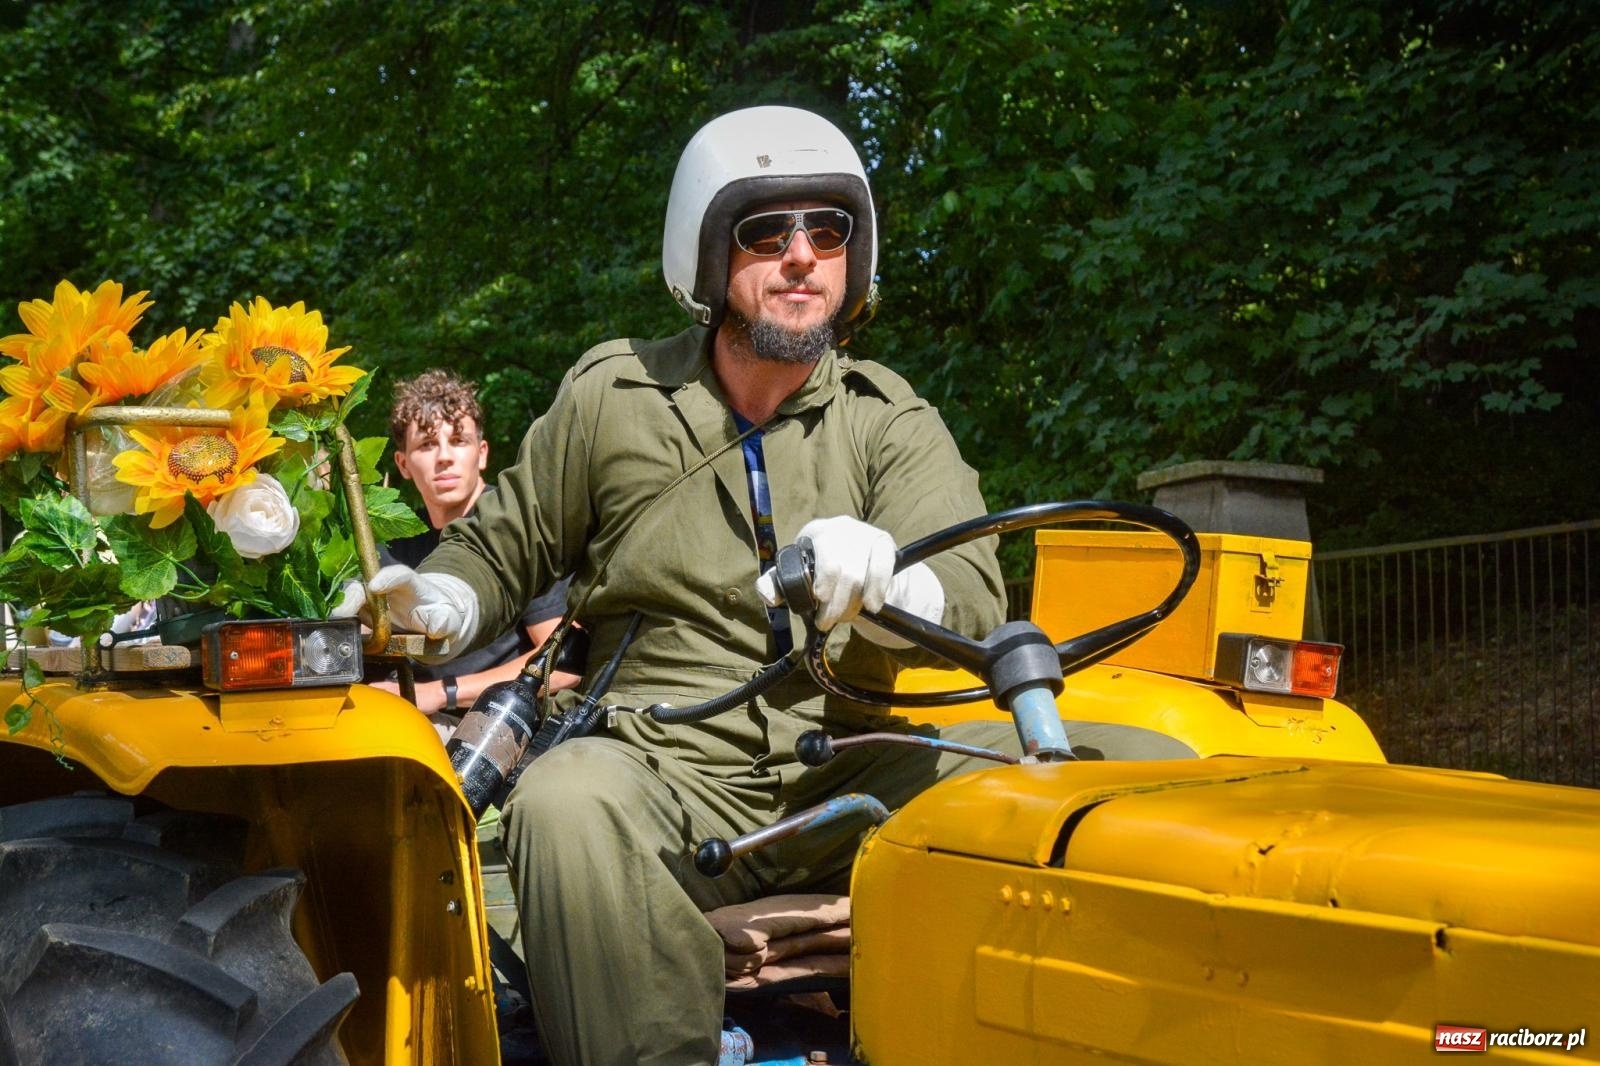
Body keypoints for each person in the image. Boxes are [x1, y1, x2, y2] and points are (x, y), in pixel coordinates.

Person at [341, 105, 1190, 1064]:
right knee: (565, 800)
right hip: (663, 766)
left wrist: (899, 591)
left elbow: (972, 590)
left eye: (827, 233)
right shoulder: (615, 398)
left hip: (856, 758)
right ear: (708, 255)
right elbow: (501, 549)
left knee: (1147, 765)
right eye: (766, 231)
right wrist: (441, 602)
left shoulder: (888, 419)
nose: (801, 256)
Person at [371, 369, 576, 731]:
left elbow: (563, 661)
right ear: (403, 464)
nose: (444, 457)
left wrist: (439, 693)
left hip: (503, 724)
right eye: (427, 445)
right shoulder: (393, 547)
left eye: (458, 441)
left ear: (482, 454)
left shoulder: (517, 528)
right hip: (408, 720)